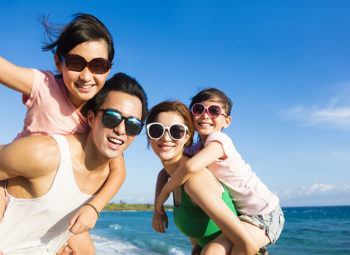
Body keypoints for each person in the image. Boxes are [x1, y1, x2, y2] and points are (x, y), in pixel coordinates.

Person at [0, 13, 124, 253]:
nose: (87, 76)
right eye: (76, 63)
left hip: (51, 203)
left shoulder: (100, 114)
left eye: (98, 65)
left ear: (108, 69)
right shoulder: (43, 85)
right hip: (9, 182)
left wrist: (94, 207)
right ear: (59, 62)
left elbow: (118, 170)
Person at [0, 72, 148, 255]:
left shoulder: (109, 173)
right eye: (112, 117)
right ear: (92, 119)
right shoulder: (45, 154)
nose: (120, 130)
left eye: (133, 125)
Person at [154, 88, 284, 254]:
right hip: (242, 215)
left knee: (214, 251)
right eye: (198, 109)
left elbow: (190, 167)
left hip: (264, 213)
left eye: (214, 111)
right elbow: (165, 172)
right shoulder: (196, 149)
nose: (205, 115)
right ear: (191, 116)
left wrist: (163, 196)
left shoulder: (219, 140)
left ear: (227, 121)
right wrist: (156, 211)